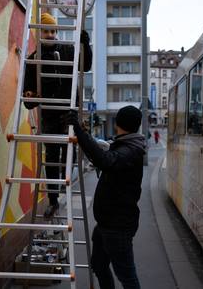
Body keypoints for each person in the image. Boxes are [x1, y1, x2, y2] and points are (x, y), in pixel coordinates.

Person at [66, 106, 146, 289]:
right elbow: (103, 156)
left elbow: (106, 161)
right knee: (99, 265)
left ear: (118, 123)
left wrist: (79, 130)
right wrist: (85, 135)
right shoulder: (128, 144)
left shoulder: (130, 150)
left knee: (127, 276)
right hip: (108, 224)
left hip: (117, 227)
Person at [23, 13, 92, 218]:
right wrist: (32, 95)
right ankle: (54, 200)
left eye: (53, 31)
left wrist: (84, 42)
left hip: (69, 112)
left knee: (67, 153)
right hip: (50, 115)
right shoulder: (34, 59)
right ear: (39, 33)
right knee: (52, 157)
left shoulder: (68, 50)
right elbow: (28, 100)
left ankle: (64, 190)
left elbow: (85, 66)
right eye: (46, 31)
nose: (51, 35)